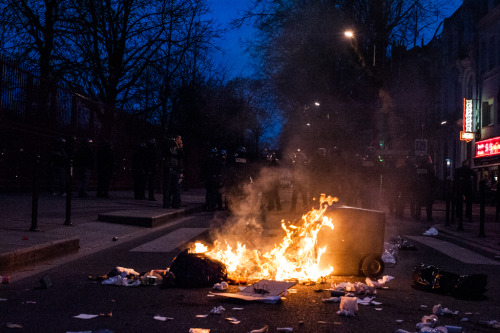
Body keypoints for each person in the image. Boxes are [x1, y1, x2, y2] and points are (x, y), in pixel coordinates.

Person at [162, 135, 184, 208]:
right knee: (167, 187)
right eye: (179, 139)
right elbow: (166, 150)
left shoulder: (178, 149)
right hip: (169, 168)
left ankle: (176, 203)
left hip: (176, 169)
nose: (181, 140)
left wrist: (181, 171)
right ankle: (166, 203)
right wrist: (173, 142)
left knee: (176, 187)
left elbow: (181, 156)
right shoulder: (169, 147)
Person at [413, 155, 436, 221]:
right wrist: (433, 189)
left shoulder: (418, 168)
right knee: (428, 204)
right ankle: (429, 217)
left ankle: (417, 216)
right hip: (427, 189)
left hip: (419, 189)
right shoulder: (430, 168)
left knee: (418, 204)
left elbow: (415, 179)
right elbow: (433, 179)